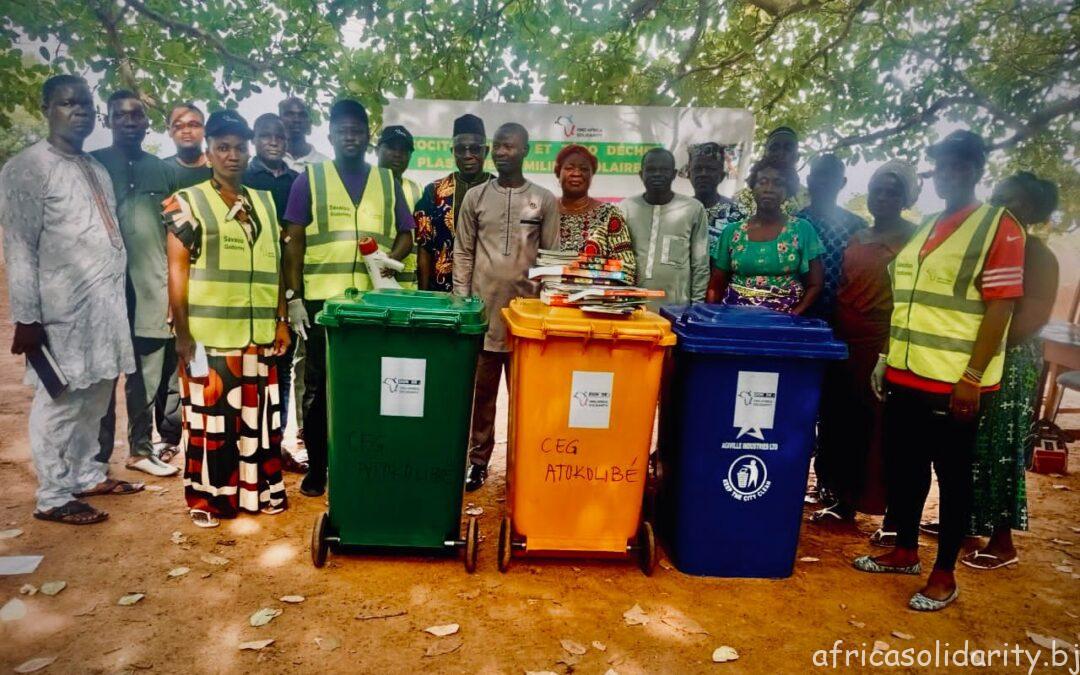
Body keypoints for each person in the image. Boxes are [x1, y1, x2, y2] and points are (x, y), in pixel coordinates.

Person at [854, 130, 1026, 612]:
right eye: (942, 167)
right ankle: (905, 550)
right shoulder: (928, 224)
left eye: (958, 166)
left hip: (955, 384)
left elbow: (1001, 306)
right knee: (904, 469)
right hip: (907, 374)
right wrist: (887, 357)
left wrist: (972, 377)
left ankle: (944, 571)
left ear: (975, 169)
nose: (949, 175)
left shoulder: (999, 225)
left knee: (952, 477)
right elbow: (907, 302)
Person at [0, 75, 141, 525]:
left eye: (85, 104)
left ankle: (86, 474)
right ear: (47, 107)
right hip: (59, 314)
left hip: (104, 309)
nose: (79, 111)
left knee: (96, 399)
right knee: (59, 401)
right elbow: (20, 247)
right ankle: (53, 495)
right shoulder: (26, 167)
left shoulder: (94, 167)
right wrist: (27, 318)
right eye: (67, 103)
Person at [162, 110, 291, 528]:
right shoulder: (187, 203)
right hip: (208, 335)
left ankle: (257, 492)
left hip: (257, 333)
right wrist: (182, 334)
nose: (232, 156)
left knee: (259, 417)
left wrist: (282, 319)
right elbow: (177, 271)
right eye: (223, 148)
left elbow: (276, 268)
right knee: (209, 420)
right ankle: (208, 499)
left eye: (239, 147)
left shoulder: (266, 203)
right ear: (209, 152)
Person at [282, 99, 416, 497]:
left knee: (371, 386)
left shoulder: (388, 182)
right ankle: (318, 468)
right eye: (343, 129)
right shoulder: (310, 179)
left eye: (357, 129)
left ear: (366, 136)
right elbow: (293, 240)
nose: (350, 136)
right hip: (326, 306)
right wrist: (293, 297)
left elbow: (407, 232)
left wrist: (394, 258)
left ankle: (361, 460)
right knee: (319, 387)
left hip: (374, 306)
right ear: (331, 135)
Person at [812, 161, 919, 529]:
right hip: (844, 341)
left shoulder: (914, 240)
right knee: (844, 422)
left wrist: (889, 352)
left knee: (883, 431)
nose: (884, 198)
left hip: (882, 343)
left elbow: (911, 301)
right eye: (878, 191)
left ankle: (892, 518)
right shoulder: (859, 235)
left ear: (906, 198)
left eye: (894, 192)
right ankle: (844, 502)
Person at [962, 173, 1060, 570]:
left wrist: (986, 354)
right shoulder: (988, 244)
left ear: (1034, 211)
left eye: (1014, 201)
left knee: (1000, 449)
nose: (1002, 205)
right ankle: (965, 524)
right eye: (999, 196)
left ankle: (1002, 542)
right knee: (969, 444)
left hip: (1011, 362)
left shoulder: (1037, 254)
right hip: (978, 357)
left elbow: (1030, 318)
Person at [454, 122, 559, 491]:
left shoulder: (543, 199)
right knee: (481, 398)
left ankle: (524, 462)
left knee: (527, 399)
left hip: (527, 321)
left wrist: (546, 314)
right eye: (496, 146)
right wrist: (462, 303)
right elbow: (464, 252)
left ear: (526, 151)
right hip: (483, 315)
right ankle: (478, 462)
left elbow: (550, 260)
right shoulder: (476, 197)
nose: (500, 152)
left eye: (509, 146)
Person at [91, 90, 180, 477]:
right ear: (107, 120)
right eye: (121, 116)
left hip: (150, 288)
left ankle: (141, 450)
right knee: (103, 376)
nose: (130, 122)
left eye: (137, 116)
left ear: (147, 123)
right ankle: (95, 458)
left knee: (145, 375)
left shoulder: (163, 171)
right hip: (101, 291)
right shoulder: (90, 165)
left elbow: (179, 227)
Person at [242, 113, 306, 474]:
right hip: (251, 289)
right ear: (255, 139)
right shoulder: (244, 180)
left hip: (287, 289)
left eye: (279, 135)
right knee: (250, 370)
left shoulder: (298, 182)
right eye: (265, 135)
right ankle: (247, 447)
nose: (273, 141)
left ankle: (275, 444)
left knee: (282, 372)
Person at [707, 156, 824, 314]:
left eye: (778, 183)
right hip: (735, 318)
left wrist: (793, 316)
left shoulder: (802, 229)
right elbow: (716, 284)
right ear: (753, 187)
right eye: (762, 182)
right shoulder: (732, 232)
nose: (769, 188)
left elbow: (815, 284)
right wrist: (714, 318)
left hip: (785, 320)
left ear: (788, 189)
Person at [277, 97, 327, 457]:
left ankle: (303, 434)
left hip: (310, 280)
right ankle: (274, 438)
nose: (294, 122)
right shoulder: (263, 164)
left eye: (301, 116)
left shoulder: (322, 167)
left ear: (309, 123)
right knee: (279, 363)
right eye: (287, 116)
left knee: (306, 364)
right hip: (270, 280)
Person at [621, 148, 709, 312]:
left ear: (674, 174)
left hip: (676, 310)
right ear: (641, 174)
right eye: (651, 170)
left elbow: (700, 264)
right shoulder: (626, 208)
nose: (657, 174)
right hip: (630, 307)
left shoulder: (693, 209)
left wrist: (697, 307)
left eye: (664, 170)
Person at [414, 113, 491, 292]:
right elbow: (424, 248)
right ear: (452, 152)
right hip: (440, 293)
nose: (467, 155)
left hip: (487, 291)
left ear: (485, 151)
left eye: (474, 148)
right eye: (460, 149)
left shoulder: (500, 191)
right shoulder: (434, 191)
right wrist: (424, 296)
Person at [796, 154, 868, 320]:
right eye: (819, 174)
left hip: (841, 318)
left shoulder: (858, 227)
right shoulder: (793, 224)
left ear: (842, 183)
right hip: (797, 315)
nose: (823, 181)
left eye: (831, 176)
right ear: (808, 180)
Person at [555, 144, 635, 281]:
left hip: (593, 299)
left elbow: (626, 272)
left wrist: (587, 277)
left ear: (592, 175)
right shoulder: (545, 210)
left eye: (584, 169)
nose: (576, 173)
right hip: (546, 298)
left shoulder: (609, 214)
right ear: (558, 172)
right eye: (569, 168)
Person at [377, 124, 421, 288]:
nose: (397, 154)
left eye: (404, 150)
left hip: (408, 286)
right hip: (374, 280)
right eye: (391, 147)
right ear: (377, 150)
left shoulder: (418, 191)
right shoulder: (366, 185)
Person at [688, 142, 743, 254]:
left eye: (710, 169)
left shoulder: (736, 212)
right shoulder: (678, 211)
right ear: (689, 175)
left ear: (721, 176)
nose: (703, 174)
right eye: (698, 169)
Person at [163, 102, 212, 189]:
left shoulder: (221, 166)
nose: (186, 131)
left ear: (204, 130)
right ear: (169, 130)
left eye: (193, 125)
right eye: (178, 126)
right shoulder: (161, 170)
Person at [279, 97, 330, 170]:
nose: (296, 120)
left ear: (310, 122)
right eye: (290, 114)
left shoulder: (325, 164)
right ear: (279, 120)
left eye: (302, 115)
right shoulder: (268, 162)